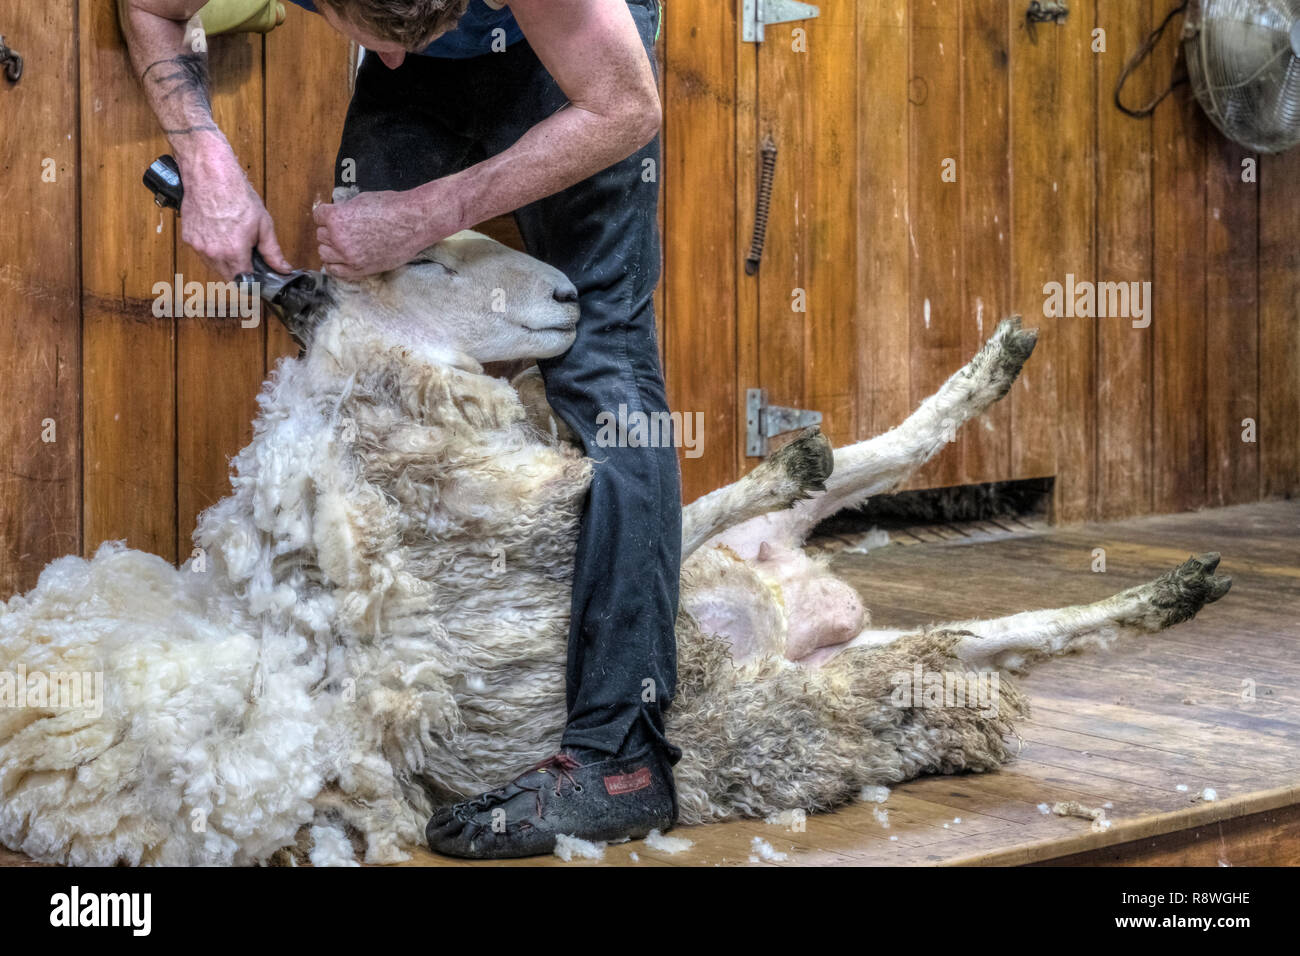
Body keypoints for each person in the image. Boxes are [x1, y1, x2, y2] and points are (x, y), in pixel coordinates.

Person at [121, 0, 681, 859]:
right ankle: (355, 679)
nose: (377, 60)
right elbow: (152, 5)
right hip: (436, 67)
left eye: (396, 37)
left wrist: (428, 215)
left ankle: (622, 761)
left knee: (606, 366)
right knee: (356, 317)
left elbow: (626, 107)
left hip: (577, 71)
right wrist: (208, 163)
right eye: (362, 35)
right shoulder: (396, 49)